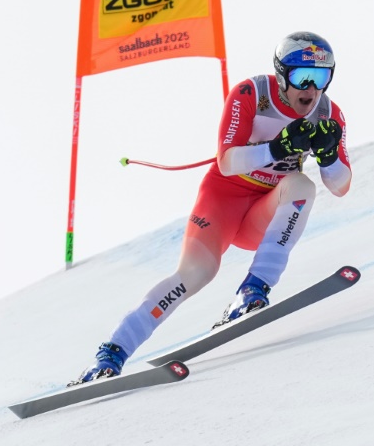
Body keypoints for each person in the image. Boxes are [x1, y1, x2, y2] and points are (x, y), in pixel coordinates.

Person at [72, 31, 352, 384]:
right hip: (222, 202)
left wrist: (327, 156)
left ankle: (253, 290)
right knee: (194, 275)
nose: (310, 89)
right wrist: (276, 149)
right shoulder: (253, 94)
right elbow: (227, 162)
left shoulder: (329, 113)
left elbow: (340, 186)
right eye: (301, 77)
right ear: (282, 75)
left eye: (321, 78)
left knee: (302, 186)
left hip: (263, 213)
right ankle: (110, 354)